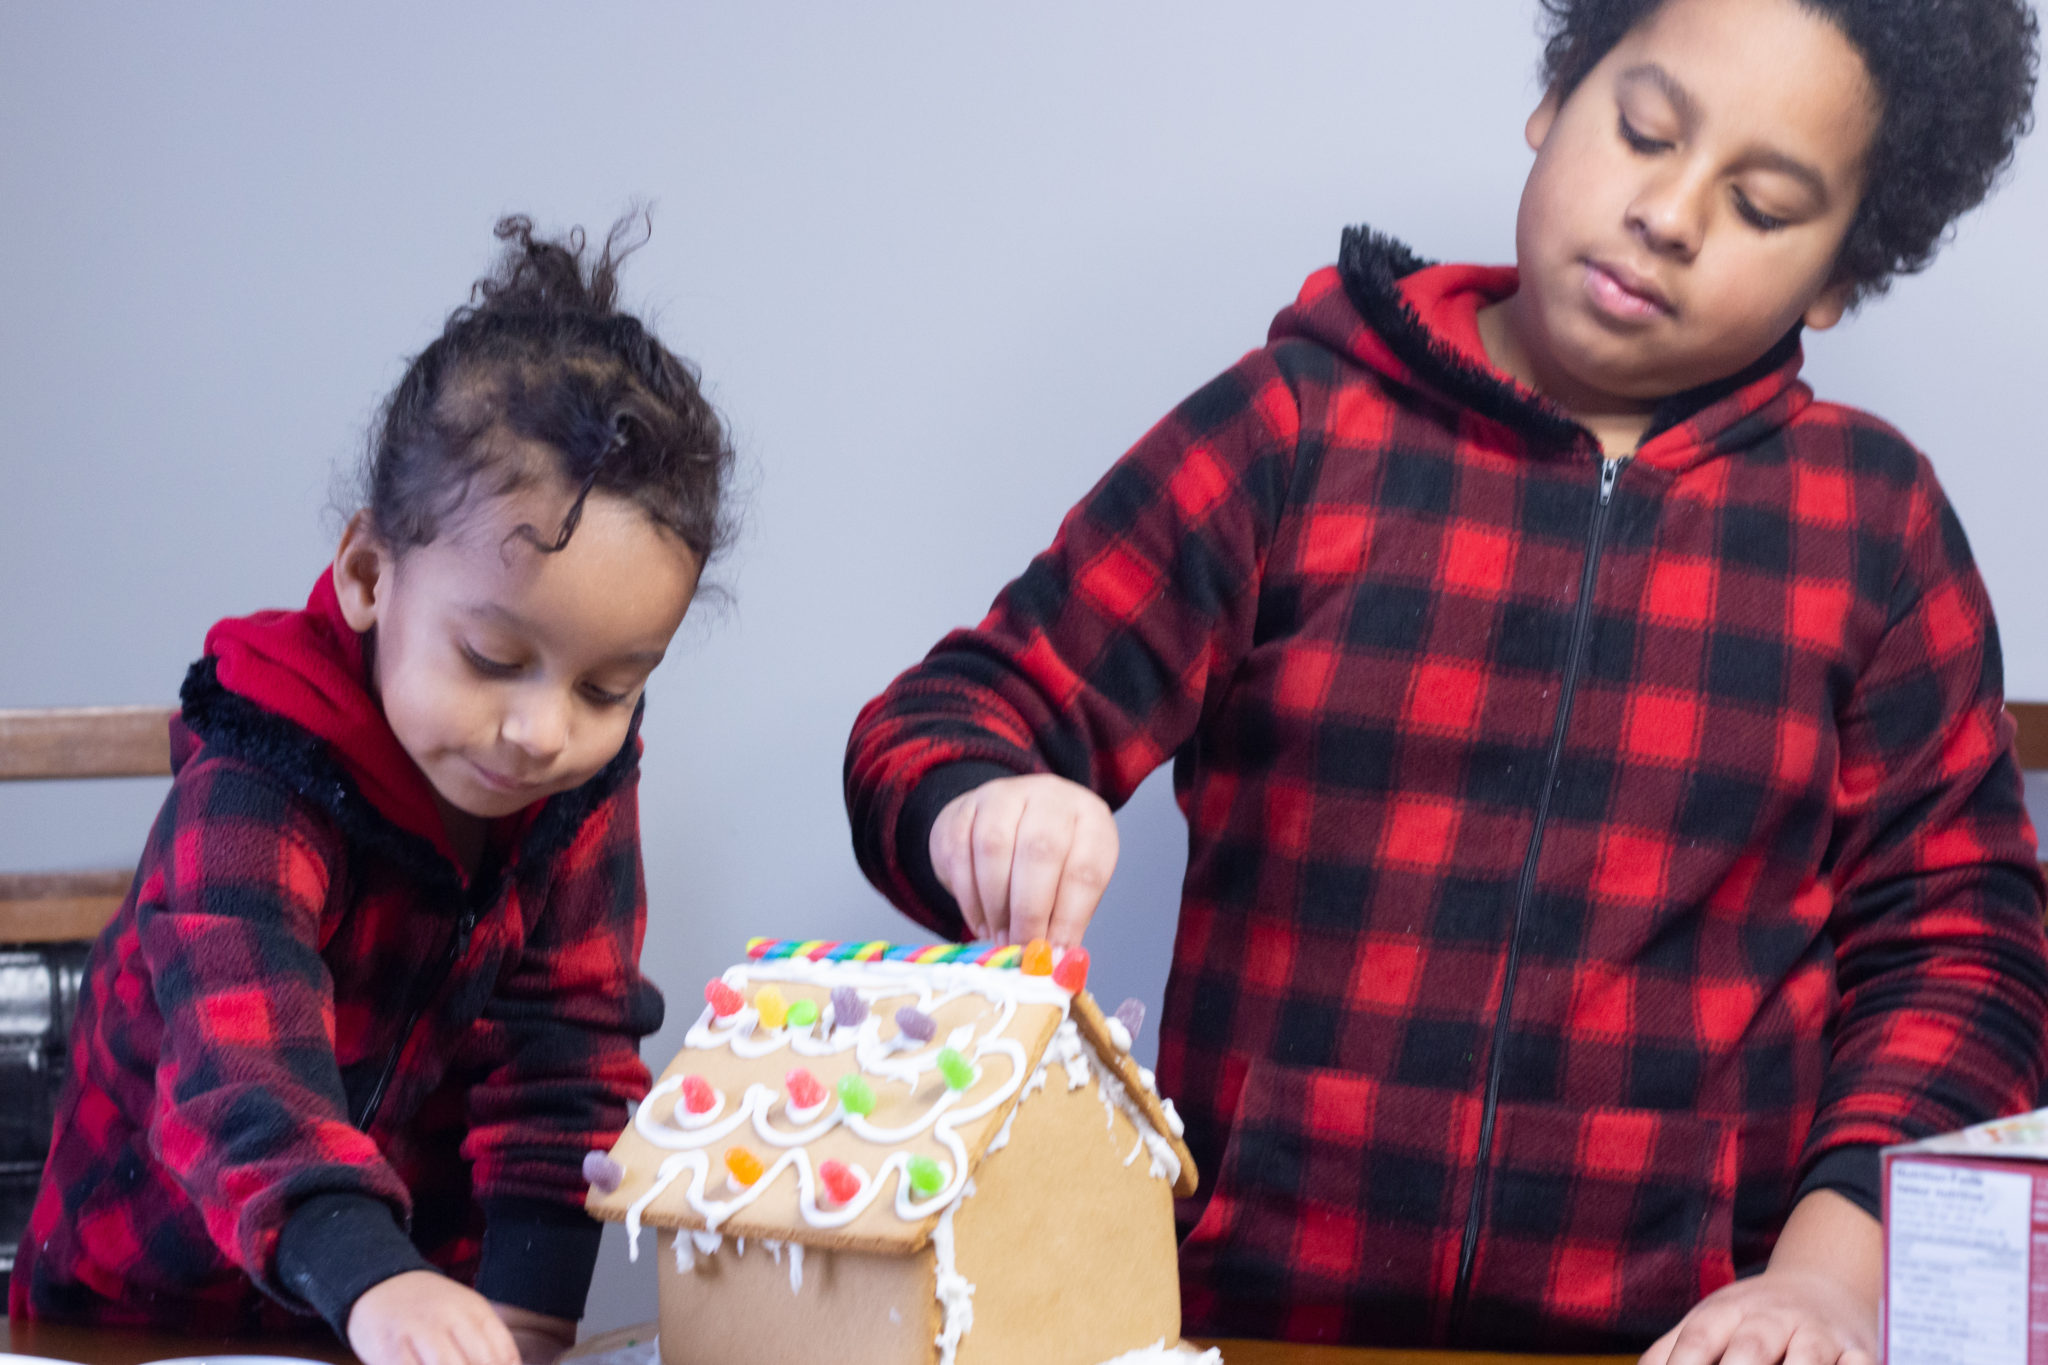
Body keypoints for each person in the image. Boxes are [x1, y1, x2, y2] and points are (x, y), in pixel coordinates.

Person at [842, 0, 2048, 1358]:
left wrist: (1829, 1280)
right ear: (1556, 97)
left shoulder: (1870, 526)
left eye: (1764, 206)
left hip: (1678, 1342)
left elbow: (1967, 957)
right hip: (1248, 1322)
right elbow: (940, 723)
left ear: (1841, 274)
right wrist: (988, 802)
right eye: (1645, 131)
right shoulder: (1293, 426)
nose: (1670, 214)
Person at [11, 216, 734, 1365]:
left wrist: (531, 1318)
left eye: (608, 685)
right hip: (142, 1312)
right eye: (493, 661)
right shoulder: (257, 773)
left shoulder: (578, 786)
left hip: (396, 1314)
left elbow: (567, 1052)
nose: (542, 732)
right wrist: (370, 1274)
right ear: (365, 574)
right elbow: (236, 1069)